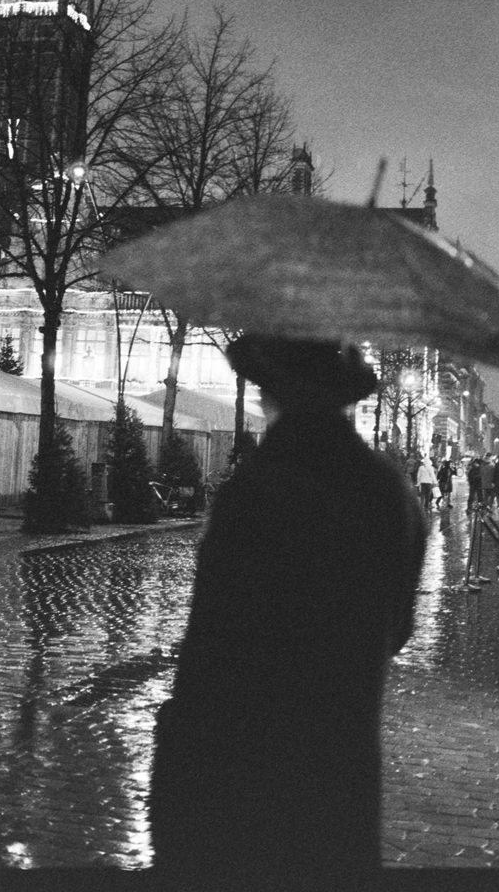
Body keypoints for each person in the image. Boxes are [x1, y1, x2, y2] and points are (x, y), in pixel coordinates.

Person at [148, 335, 426, 889]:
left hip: (241, 779)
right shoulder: (391, 493)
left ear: (270, 392)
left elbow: (212, 651)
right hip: (342, 772)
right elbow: (396, 631)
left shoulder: (257, 490)